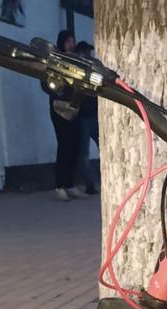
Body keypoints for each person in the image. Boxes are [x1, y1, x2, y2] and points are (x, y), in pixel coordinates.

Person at [49, 30, 82, 201]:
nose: (71, 45)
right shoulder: (55, 60)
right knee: (64, 145)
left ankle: (69, 184)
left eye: (73, 41)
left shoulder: (75, 60)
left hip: (74, 108)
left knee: (75, 146)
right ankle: (59, 186)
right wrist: (58, 90)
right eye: (68, 41)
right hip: (59, 108)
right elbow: (47, 82)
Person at [75, 40, 100, 195]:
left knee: (99, 148)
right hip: (83, 116)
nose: (88, 55)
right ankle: (89, 184)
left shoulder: (92, 70)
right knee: (84, 153)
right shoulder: (77, 70)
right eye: (86, 53)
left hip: (94, 115)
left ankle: (95, 181)